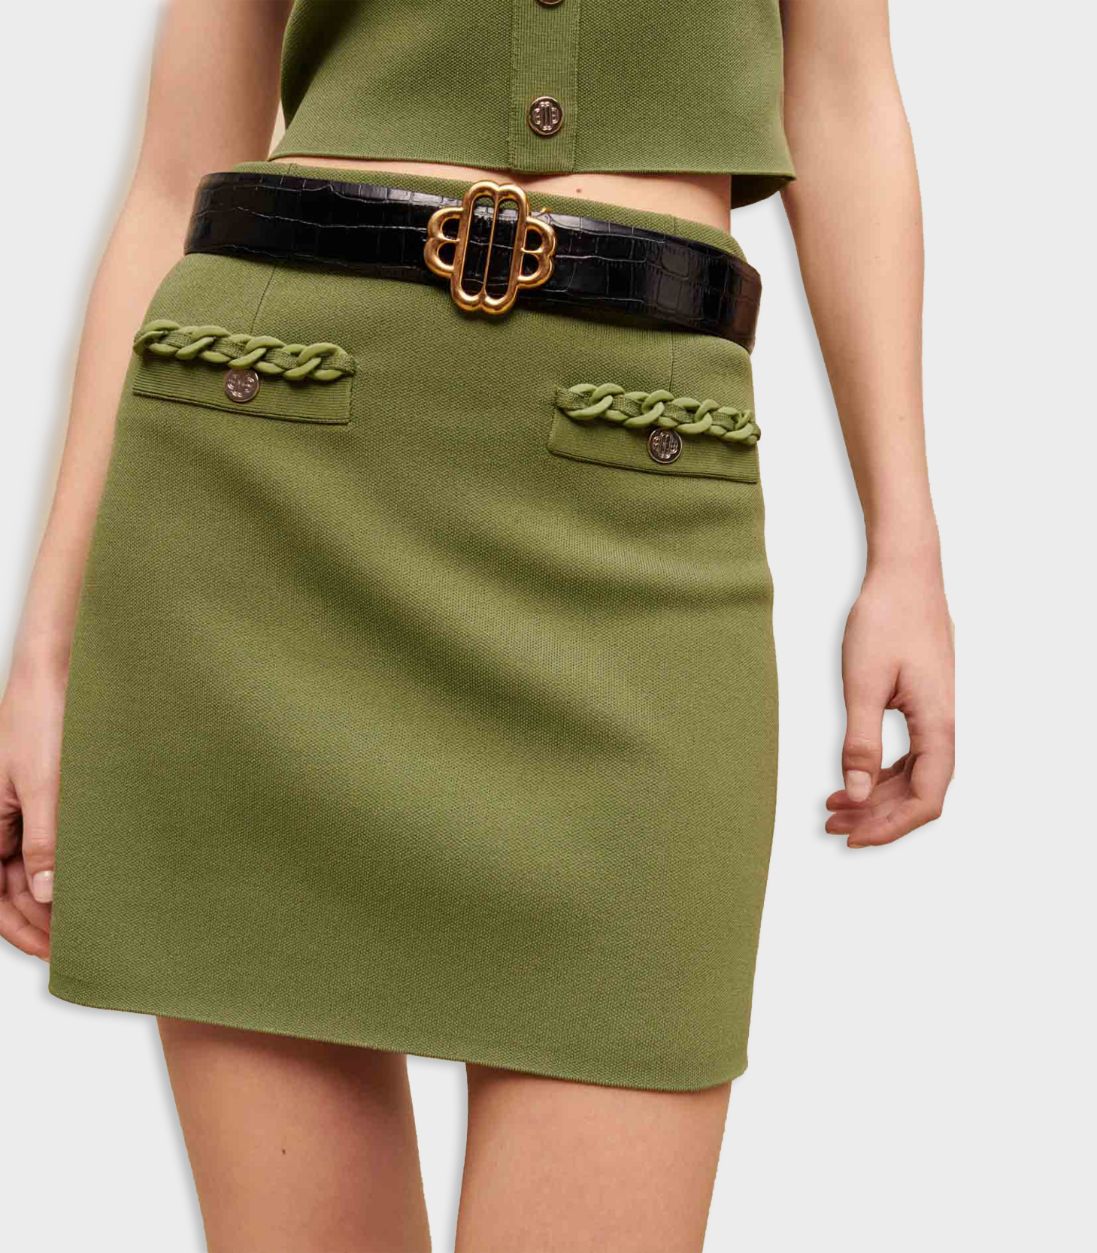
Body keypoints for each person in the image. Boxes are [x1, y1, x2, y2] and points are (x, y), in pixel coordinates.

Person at [0, 2, 954, 1250]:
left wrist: (904, 547)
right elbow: (177, 169)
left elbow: (843, 98)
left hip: (642, 489)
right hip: (264, 478)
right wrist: (47, 648)